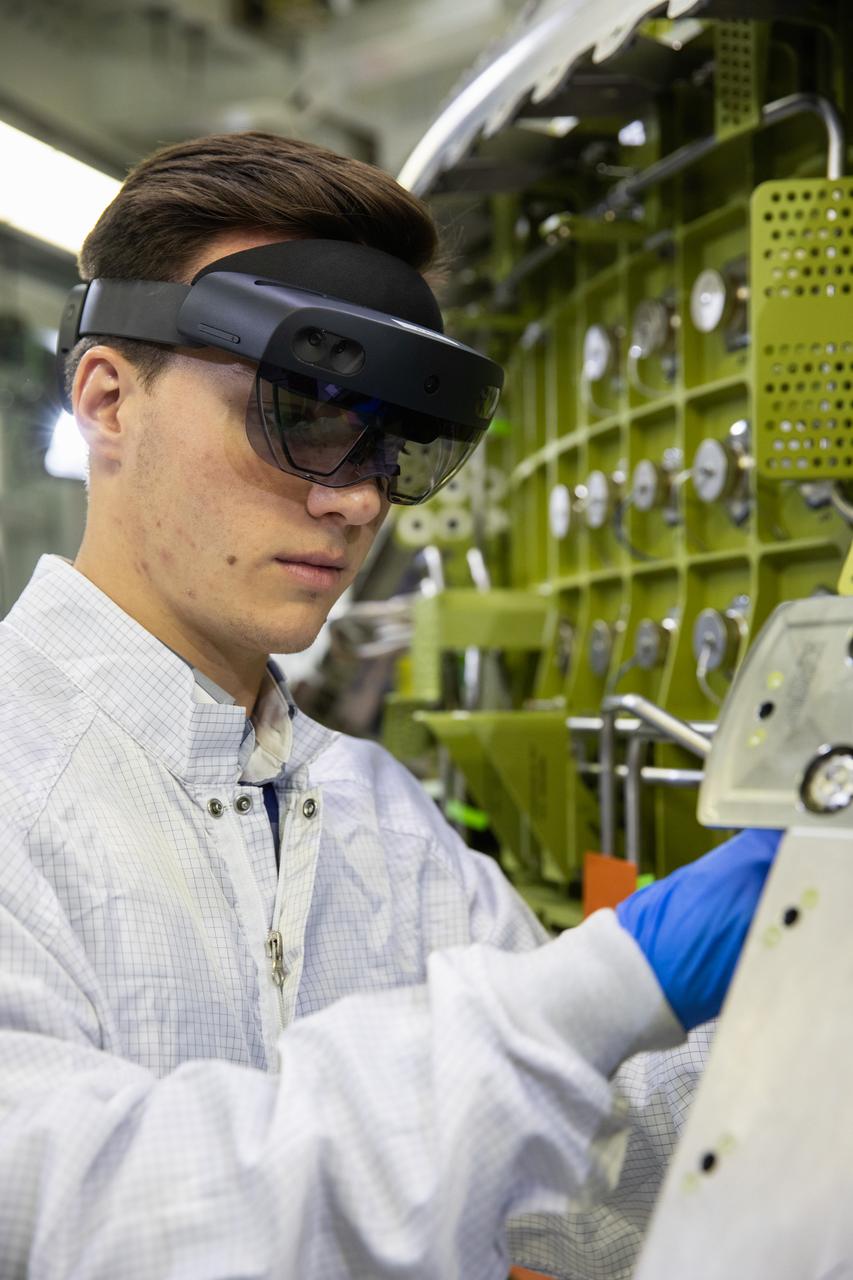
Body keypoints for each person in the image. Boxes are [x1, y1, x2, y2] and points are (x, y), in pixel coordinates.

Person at [0, 131, 779, 1278]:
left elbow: (601, 1168)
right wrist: (613, 979)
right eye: (304, 414)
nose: (359, 498)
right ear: (108, 401)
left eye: (389, 442)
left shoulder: (383, 822)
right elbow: (88, 1218)